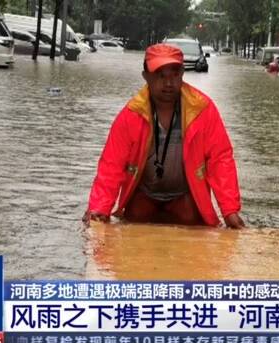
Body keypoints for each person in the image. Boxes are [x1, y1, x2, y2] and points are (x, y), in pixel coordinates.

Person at [83, 43, 244, 229]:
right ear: (146, 77)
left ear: (182, 74)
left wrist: (230, 210)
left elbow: (220, 159)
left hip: (183, 195)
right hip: (144, 195)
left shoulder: (203, 110)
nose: (168, 83)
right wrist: (99, 209)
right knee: (135, 214)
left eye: (174, 75)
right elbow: (112, 165)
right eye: (160, 75)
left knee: (191, 216)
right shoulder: (130, 115)